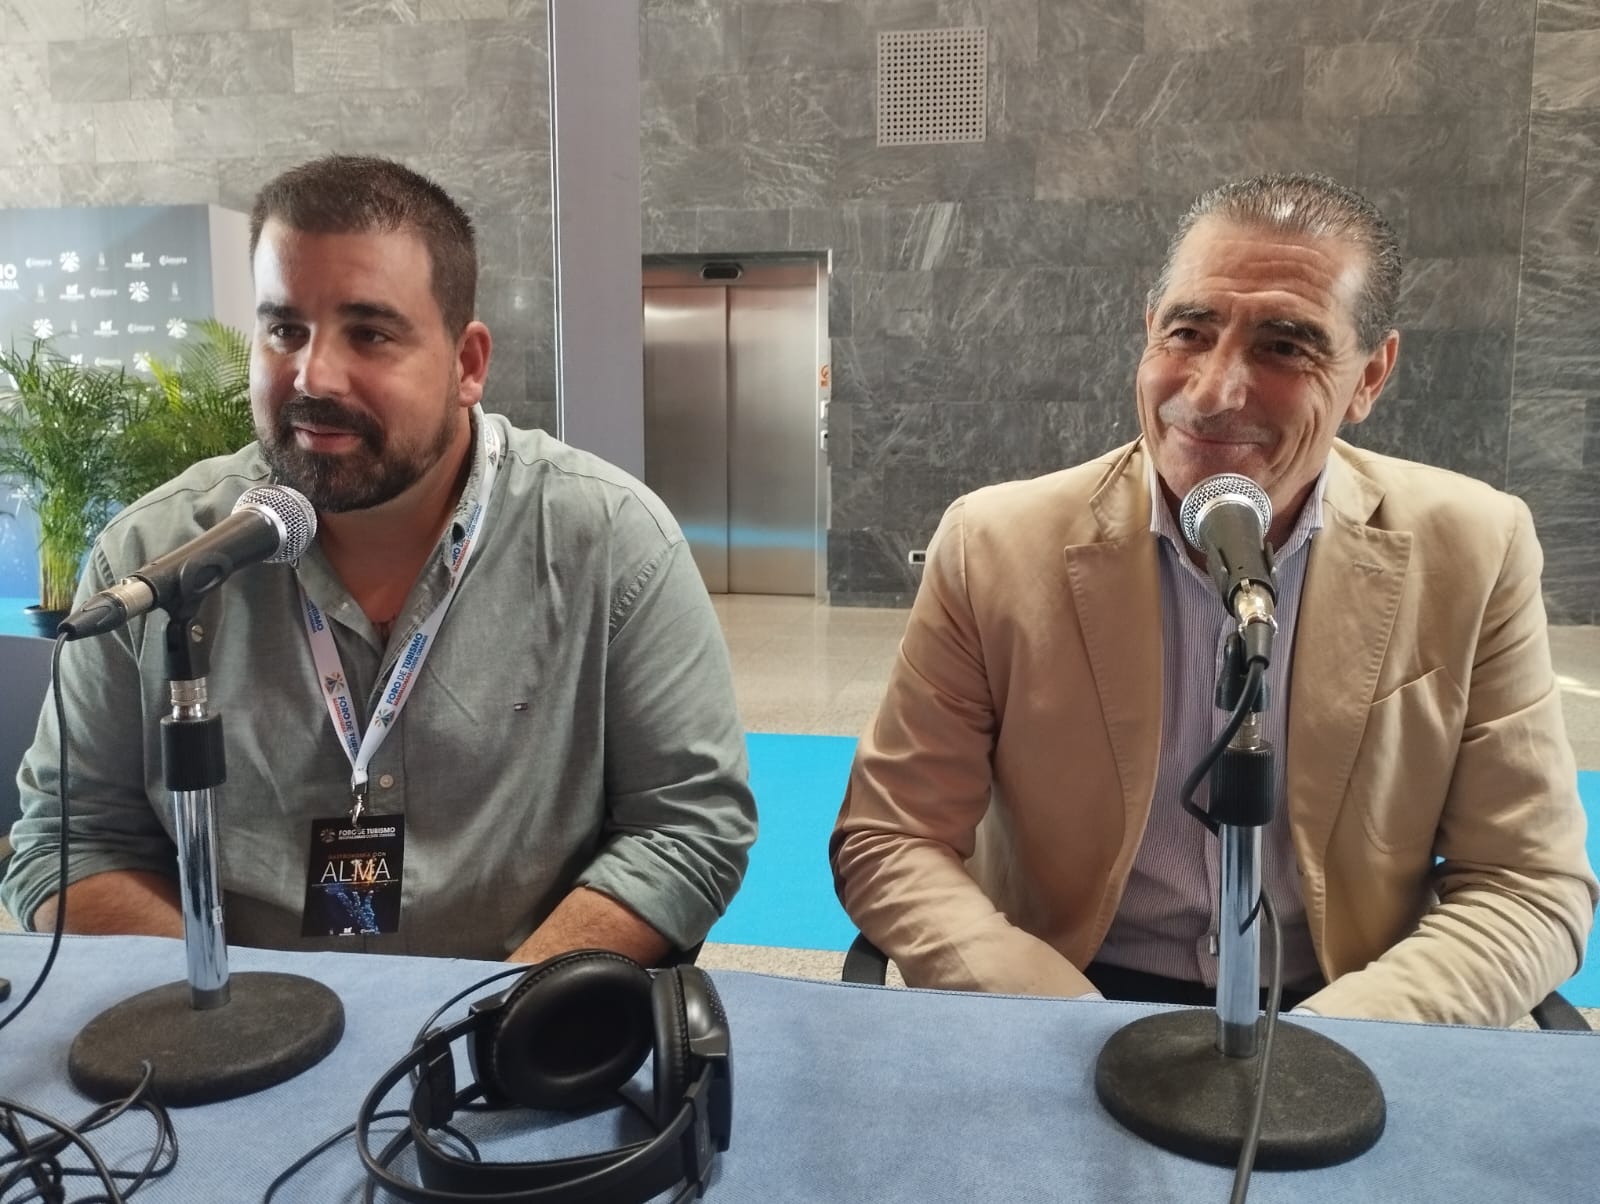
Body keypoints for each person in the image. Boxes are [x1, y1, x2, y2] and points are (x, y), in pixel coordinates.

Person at [830, 172, 1597, 1027]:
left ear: (1371, 375)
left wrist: (1343, 1046)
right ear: (1146, 331)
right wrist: (1058, 1029)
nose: (1213, 390)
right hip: (1066, 991)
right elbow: (892, 839)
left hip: (1354, 1005)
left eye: (1286, 346)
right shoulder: (993, 545)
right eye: (1187, 332)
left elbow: (1529, 880)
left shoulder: (1476, 549)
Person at [2, 155, 756, 966]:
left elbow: (687, 825)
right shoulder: (157, 559)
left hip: (510, 1042)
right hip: (231, 1053)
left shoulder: (609, 542)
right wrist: (239, 1018)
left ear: (467, 364)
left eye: (370, 333)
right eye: (284, 329)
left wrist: (487, 1026)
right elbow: (67, 844)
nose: (313, 374)